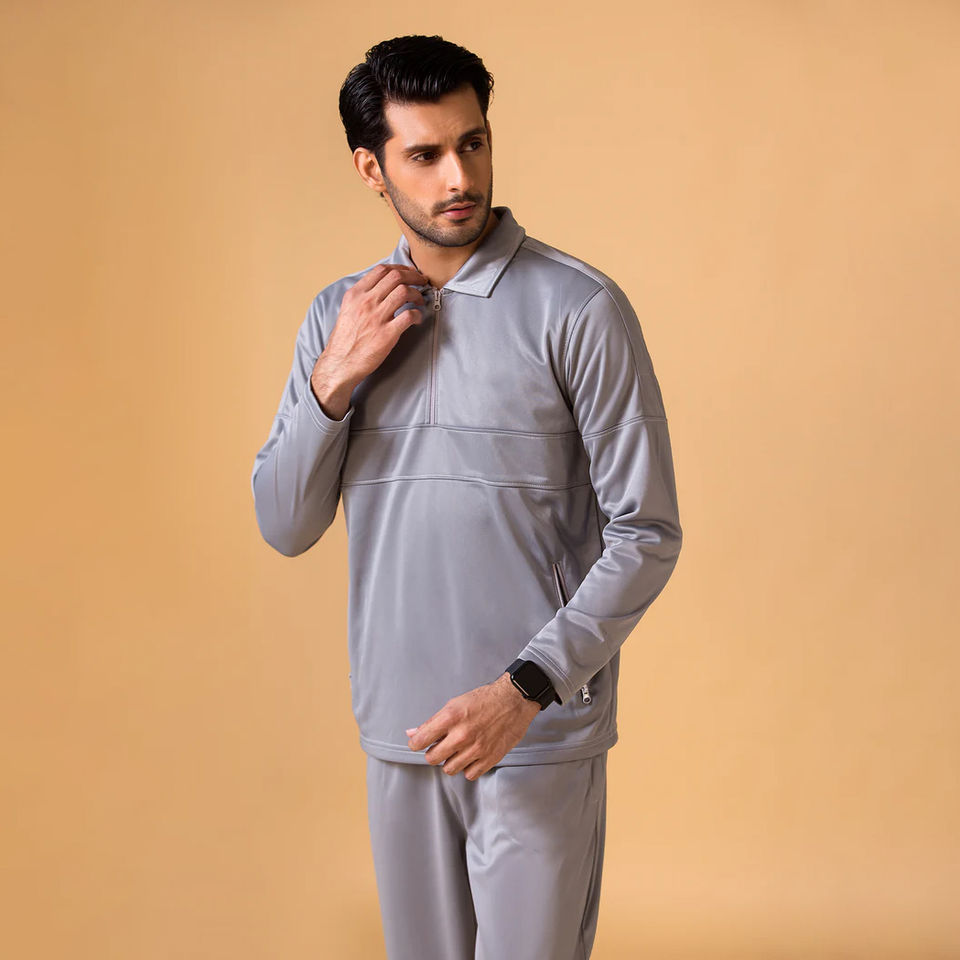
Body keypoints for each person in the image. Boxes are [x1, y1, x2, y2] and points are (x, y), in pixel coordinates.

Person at [250, 33, 683, 960]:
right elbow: (284, 524)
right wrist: (334, 380)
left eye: (473, 143)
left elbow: (646, 531)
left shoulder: (579, 309)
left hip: (535, 734)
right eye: (425, 154)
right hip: (400, 735)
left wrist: (525, 689)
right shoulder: (338, 319)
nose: (460, 176)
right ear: (371, 169)